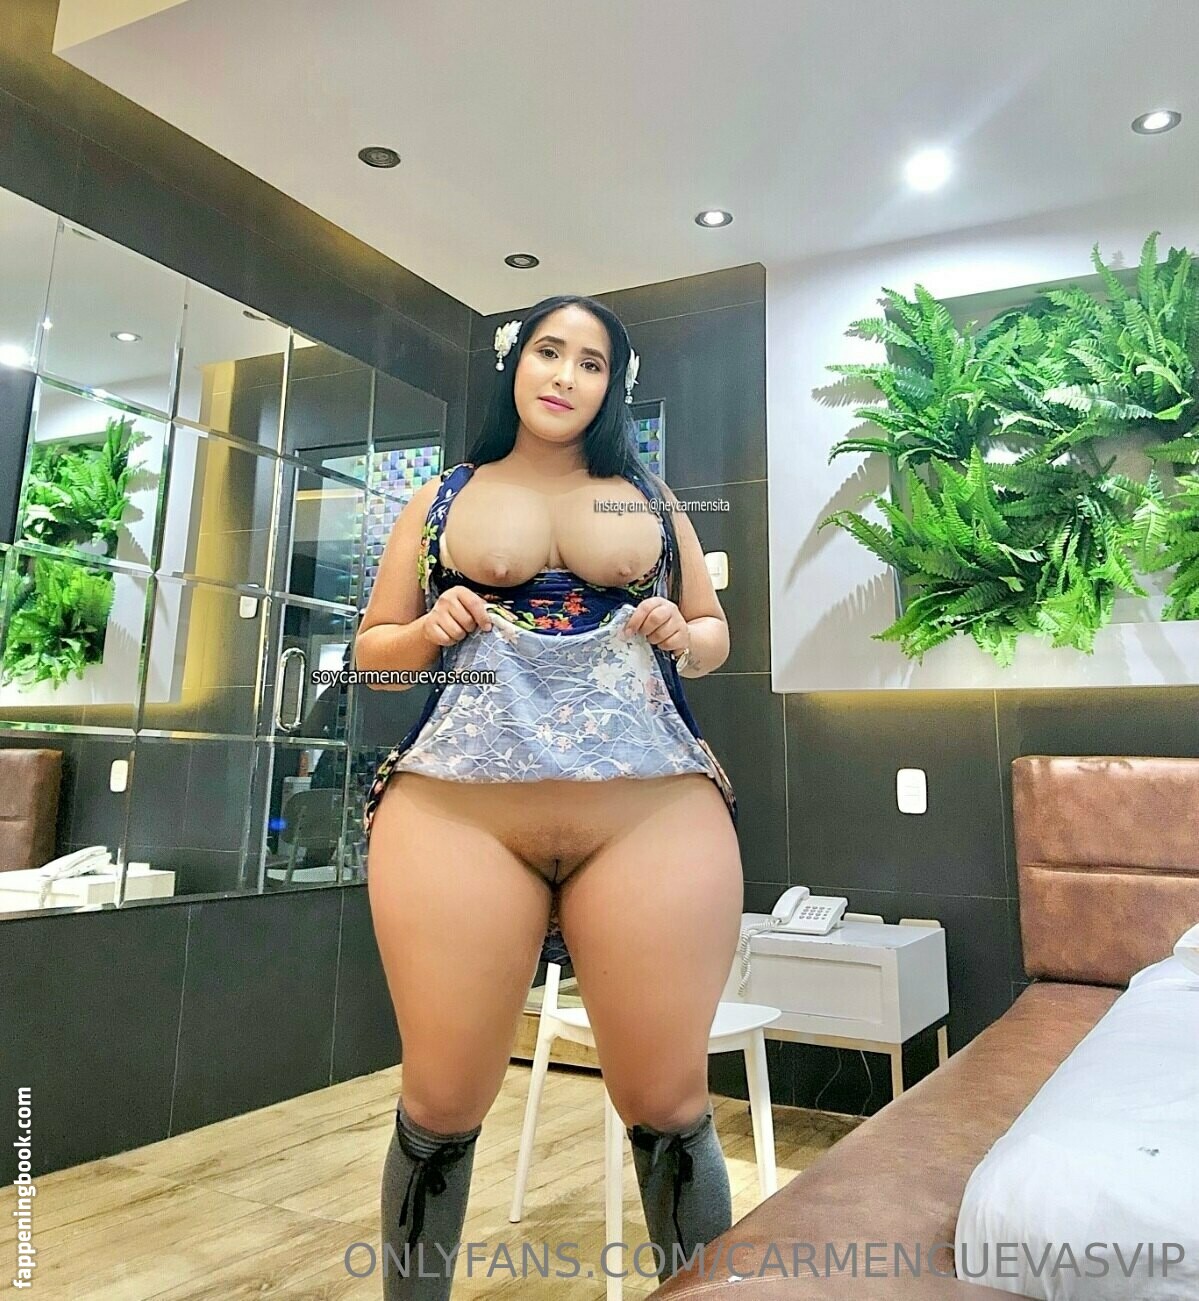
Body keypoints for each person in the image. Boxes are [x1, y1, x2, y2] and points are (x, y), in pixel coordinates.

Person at [355, 295, 743, 1298]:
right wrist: (427, 630)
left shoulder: (647, 498)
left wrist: (682, 633)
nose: (565, 375)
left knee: (669, 1102)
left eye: (590, 362)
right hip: (456, 811)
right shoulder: (440, 496)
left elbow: (713, 633)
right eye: (547, 351)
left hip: (650, 807)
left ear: (614, 385)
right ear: (514, 364)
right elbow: (373, 658)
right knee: (440, 1102)